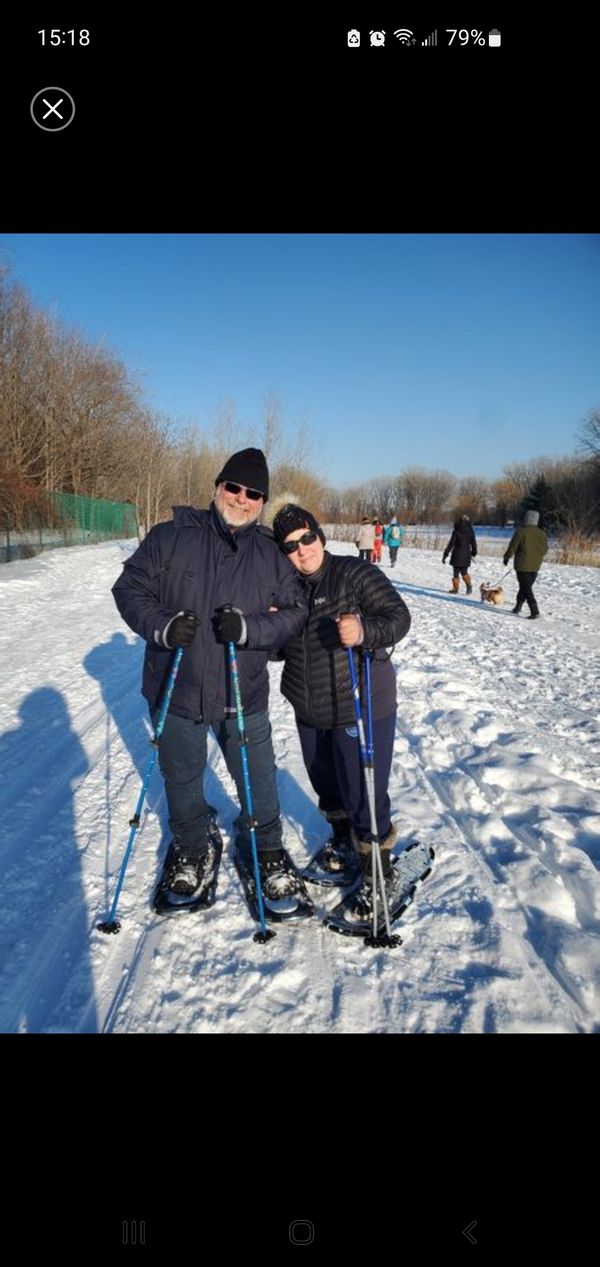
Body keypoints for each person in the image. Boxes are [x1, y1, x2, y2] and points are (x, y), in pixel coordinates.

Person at [111, 448, 310, 916]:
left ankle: (266, 848)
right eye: (234, 488)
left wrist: (250, 630)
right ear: (218, 487)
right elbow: (129, 589)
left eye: (253, 493)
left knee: (256, 777)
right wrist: (161, 624)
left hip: (243, 691)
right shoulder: (169, 536)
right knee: (181, 777)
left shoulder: (269, 553)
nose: (241, 499)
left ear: (262, 502)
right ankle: (193, 844)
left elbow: (297, 612)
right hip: (176, 687)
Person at [271, 503, 411, 924]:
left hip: (360, 701)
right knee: (326, 784)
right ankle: (343, 843)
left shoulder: (354, 572)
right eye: (291, 545)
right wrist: (272, 628)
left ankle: (378, 872)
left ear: (320, 535)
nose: (302, 549)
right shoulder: (285, 587)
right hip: (309, 704)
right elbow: (281, 651)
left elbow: (399, 618)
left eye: (307, 537)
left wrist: (364, 631)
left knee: (361, 791)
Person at [503, 509, 548, 619]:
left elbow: (513, 546)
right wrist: (538, 556)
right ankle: (518, 607)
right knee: (525, 587)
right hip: (536, 565)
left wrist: (507, 557)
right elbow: (545, 549)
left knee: (526, 588)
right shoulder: (542, 533)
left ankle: (535, 610)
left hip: (522, 565)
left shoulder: (521, 531)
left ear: (526, 519)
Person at [442, 514, 477, 594]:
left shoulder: (456, 531)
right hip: (466, 554)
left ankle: (455, 589)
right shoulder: (471, 532)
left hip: (457, 553)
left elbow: (451, 544)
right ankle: (469, 585)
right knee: (464, 571)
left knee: (456, 572)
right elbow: (474, 544)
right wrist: (474, 553)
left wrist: (445, 554)